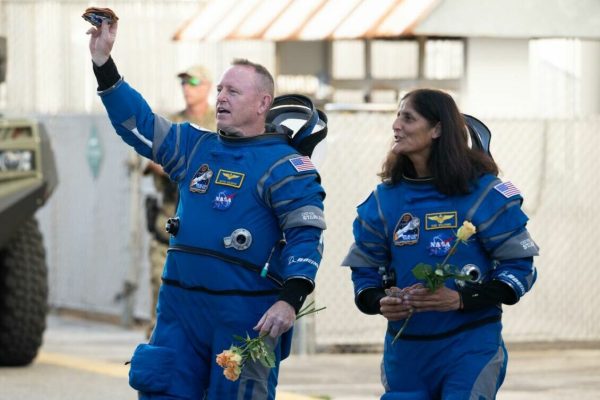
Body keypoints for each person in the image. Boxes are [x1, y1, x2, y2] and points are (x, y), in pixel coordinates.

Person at [87, 20, 326, 399]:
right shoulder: (193, 146)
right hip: (179, 313)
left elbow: (305, 235)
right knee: (160, 389)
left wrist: (290, 300)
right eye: (219, 90)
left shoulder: (285, 166)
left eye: (233, 91)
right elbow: (137, 124)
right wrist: (104, 64)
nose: (221, 98)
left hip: (244, 316)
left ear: (264, 103)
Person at [342, 89, 538, 400]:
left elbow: (519, 270)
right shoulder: (383, 201)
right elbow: (365, 276)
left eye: (408, 117)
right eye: (397, 116)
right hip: (406, 352)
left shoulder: (485, 194)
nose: (396, 125)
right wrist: (381, 301)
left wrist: (460, 299)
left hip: (470, 346)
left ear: (437, 129)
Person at [143, 65, 215, 338]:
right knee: (160, 297)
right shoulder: (172, 124)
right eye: (183, 82)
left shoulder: (220, 124)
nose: (187, 87)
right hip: (169, 225)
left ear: (207, 86)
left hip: (207, 232)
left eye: (194, 82)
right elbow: (152, 160)